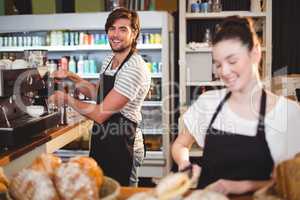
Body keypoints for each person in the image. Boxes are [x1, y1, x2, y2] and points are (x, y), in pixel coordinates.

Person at [172, 16, 300, 195]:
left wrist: (241, 186)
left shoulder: (289, 113)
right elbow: (181, 145)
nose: (224, 71)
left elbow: (292, 182)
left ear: (255, 53)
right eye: (218, 64)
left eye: (232, 61)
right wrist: (185, 164)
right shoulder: (208, 103)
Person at [49, 7, 151, 186]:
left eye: (123, 29)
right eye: (112, 28)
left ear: (134, 33)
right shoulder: (109, 59)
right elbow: (100, 94)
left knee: (120, 194)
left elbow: (101, 113)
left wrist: (67, 99)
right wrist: (71, 76)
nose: (115, 35)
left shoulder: (134, 68)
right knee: (99, 190)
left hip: (123, 142)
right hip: (104, 138)